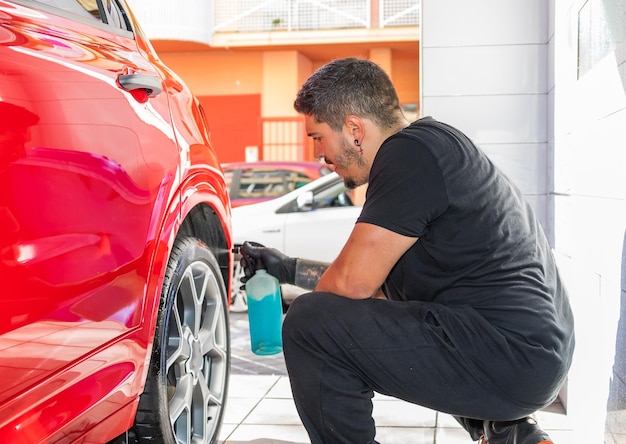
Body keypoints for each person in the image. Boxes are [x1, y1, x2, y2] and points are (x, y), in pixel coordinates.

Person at [239, 57, 575, 444]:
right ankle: (509, 434)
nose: (319, 155)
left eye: (318, 137)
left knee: (308, 325)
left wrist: (298, 302)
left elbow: (350, 287)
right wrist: (288, 269)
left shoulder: (408, 154)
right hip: (529, 355)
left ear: (354, 129)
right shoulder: (430, 146)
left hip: (513, 356)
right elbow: (375, 289)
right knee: (396, 304)